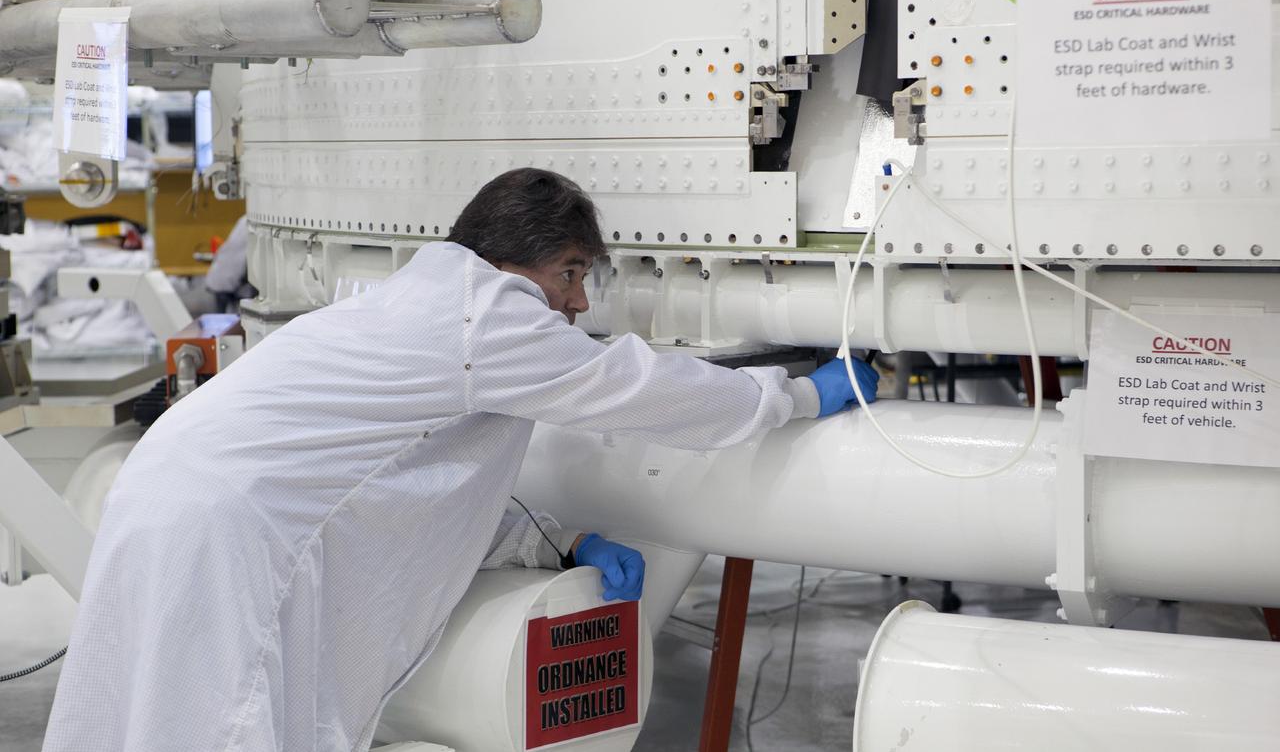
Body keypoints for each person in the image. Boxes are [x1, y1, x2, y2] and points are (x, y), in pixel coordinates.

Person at [42, 168, 878, 752]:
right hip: (232, 535)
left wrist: (559, 541)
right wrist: (794, 396)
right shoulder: (491, 315)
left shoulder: (424, 305)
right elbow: (636, 387)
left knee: (142, 716)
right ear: (512, 260)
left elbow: (416, 477)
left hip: (168, 493)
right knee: (226, 722)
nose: (579, 300)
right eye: (571, 271)